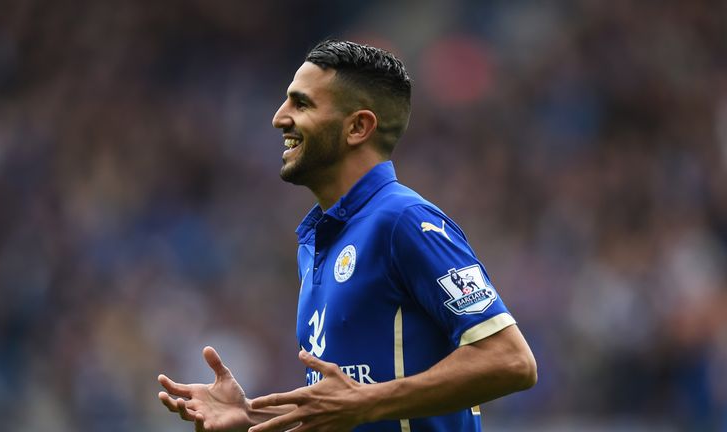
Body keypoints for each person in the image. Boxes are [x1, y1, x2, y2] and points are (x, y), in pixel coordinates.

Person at [158, 39, 537, 432]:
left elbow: (511, 360)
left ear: (357, 127)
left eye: (301, 104)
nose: (278, 117)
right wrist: (252, 416)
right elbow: (345, 404)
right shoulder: (314, 246)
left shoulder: (404, 221)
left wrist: (363, 403)